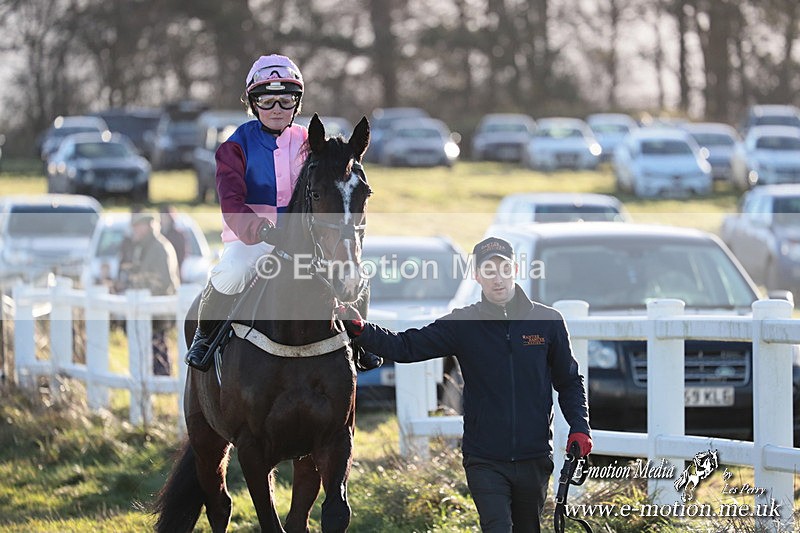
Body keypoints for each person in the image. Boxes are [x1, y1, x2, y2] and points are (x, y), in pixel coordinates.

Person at [337, 237, 592, 533]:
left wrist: (580, 426)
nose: (498, 279)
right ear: (477, 276)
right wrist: (363, 330)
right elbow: (406, 346)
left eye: (504, 269)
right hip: (484, 458)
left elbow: (569, 381)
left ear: (515, 269)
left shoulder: (547, 321)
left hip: (534, 457)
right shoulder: (462, 324)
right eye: (488, 271)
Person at [184, 53, 381, 373]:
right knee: (233, 270)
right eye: (267, 101)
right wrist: (262, 230)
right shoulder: (234, 145)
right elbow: (231, 203)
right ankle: (204, 337)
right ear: (253, 103)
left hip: (305, 240)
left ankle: (360, 342)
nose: (277, 108)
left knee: (355, 275)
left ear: (297, 103)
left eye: (286, 100)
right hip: (252, 240)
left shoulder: (309, 142)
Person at [123, 212, 181, 376]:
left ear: (147, 227)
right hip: (149, 308)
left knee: (158, 349)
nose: (134, 230)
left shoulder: (159, 248)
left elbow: (163, 281)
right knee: (150, 349)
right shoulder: (144, 247)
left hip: (158, 310)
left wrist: (145, 297)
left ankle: (163, 382)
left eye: (137, 227)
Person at [159, 204, 186, 275]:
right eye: (162, 217)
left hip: (174, 269)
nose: (164, 220)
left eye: (166, 217)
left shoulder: (178, 235)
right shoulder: (158, 234)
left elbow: (181, 255)